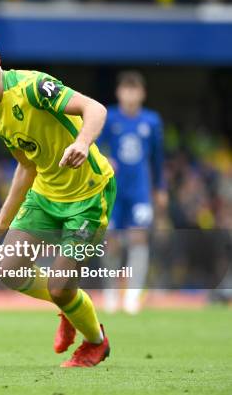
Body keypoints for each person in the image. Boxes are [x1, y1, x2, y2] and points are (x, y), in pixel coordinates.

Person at [0, 33, 115, 367]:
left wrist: (83, 143)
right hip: (46, 194)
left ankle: (96, 343)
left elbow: (94, 108)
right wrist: (2, 222)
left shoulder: (32, 87)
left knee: (60, 287)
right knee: (8, 270)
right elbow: (27, 166)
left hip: (89, 195)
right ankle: (69, 308)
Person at [98, 71, 167, 314]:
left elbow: (158, 157)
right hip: (114, 189)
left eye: (134, 90)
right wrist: (104, 158)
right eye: (126, 89)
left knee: (138, 237)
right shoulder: (110, 117)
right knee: (112, 242)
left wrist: (160, 187)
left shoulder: (151, 121)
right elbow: (95, 146)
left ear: (142, 93)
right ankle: (111, 293)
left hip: (139, 190)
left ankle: (133, 296)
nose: (130, 94)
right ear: (119, 93)